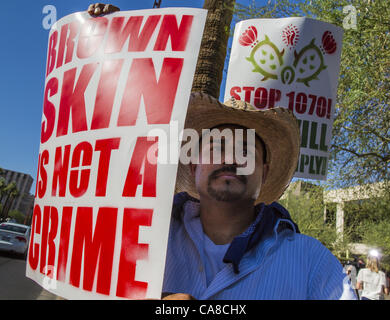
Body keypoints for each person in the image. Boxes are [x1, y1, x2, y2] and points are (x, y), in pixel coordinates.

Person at [87, 3, 356, 300]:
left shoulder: (311, 262)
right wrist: (110, 42)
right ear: (193, 166)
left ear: (264, 172)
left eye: (245, 149)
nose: (230, 159)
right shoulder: (140, 237)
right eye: (216, 147)